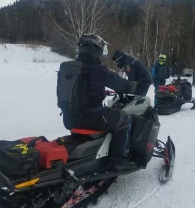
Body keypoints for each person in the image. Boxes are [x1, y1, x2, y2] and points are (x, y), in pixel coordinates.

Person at [57, 33, 142, 171]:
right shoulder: (98, 70)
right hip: (91, 118)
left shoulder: (67, 66)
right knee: (124, 119)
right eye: (100, 50)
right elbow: (122, 85)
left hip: (69, 118)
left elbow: (79, 89)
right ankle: (119, 160)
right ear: (93, 50)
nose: (101, 54)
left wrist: (99, 92)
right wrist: (135, 86)